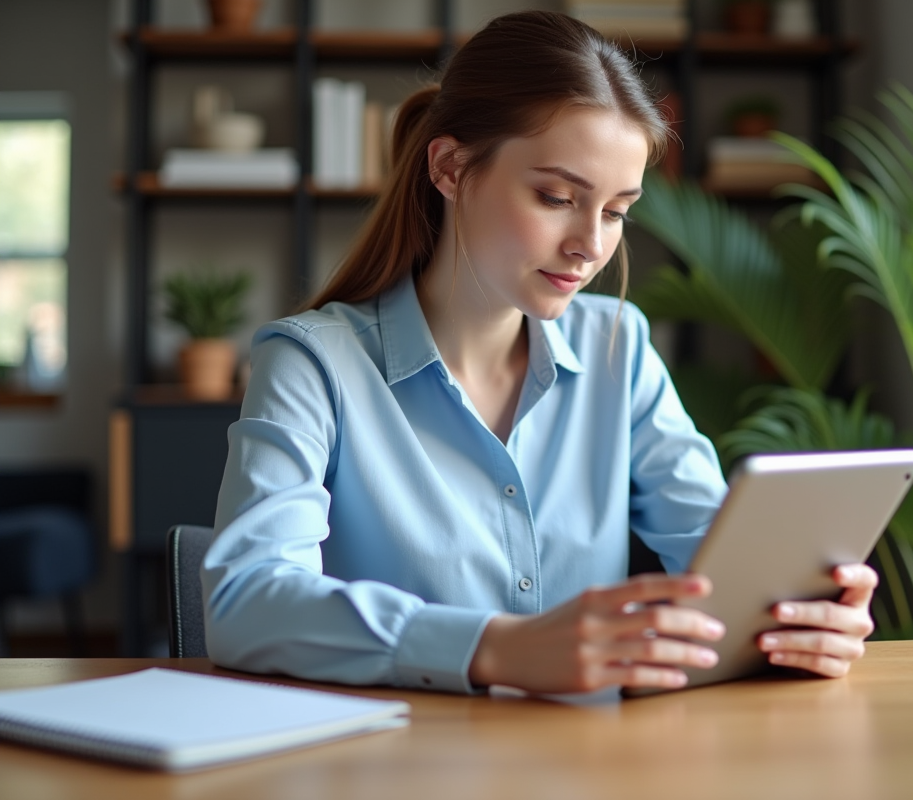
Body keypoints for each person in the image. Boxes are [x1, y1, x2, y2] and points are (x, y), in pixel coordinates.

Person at [201, 9, 877, 696]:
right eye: (557, 197)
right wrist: (493, 648)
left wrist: (803, 614)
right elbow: (245, 601)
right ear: (450, 167)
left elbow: (720, 555)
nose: (590, 243)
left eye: (615, 211)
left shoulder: (620, 349)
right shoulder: (312, 364)